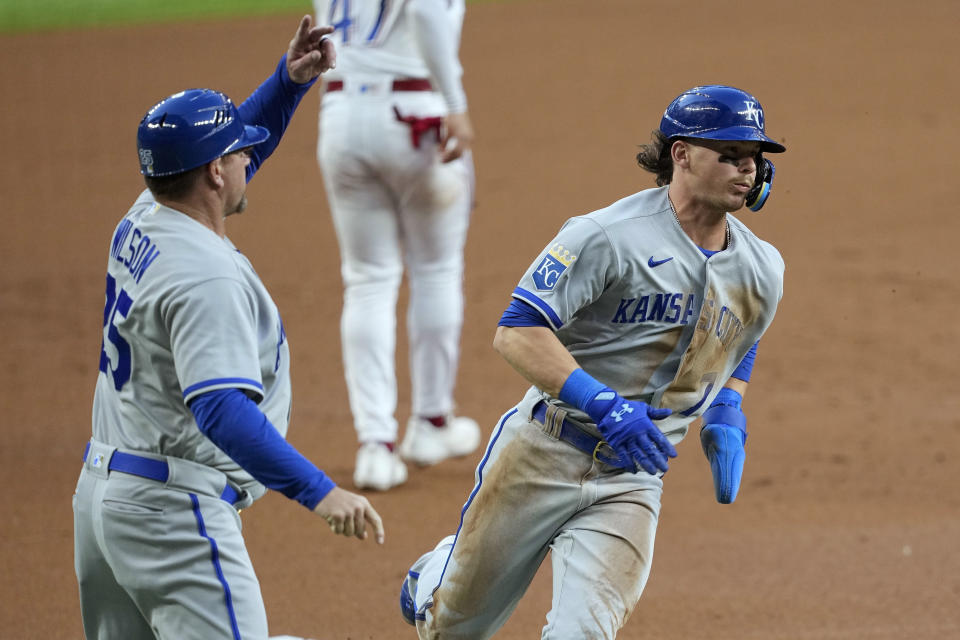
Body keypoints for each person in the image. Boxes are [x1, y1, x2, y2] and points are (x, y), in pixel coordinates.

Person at [398, 85, 787, 639]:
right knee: (453, 631)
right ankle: (437, 573)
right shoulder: (605, 235)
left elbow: (744, 331)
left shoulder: (762, 266)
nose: (747, 169)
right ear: (681, 155)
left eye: (754, 158)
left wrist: (727, 408)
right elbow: (518, 331)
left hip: (633, 478)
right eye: (729, 155)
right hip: (543, 451)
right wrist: (603, 405)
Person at [73, 16, 385, 640]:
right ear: (215, 172)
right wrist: (321, 492)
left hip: (103, 500)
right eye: (238, 150)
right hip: (173, 519)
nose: (250, 154)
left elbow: (221, 168)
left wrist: (287, 82)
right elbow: (220, 410)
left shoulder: (145, 215)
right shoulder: (208, 280)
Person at [311, 0, 481, 491]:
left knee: (366, 280)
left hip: (341, 116)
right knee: (436, 269)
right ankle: (430, 424)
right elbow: (427, 13)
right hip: (414, 112)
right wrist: (455, 104)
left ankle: (374, 446)